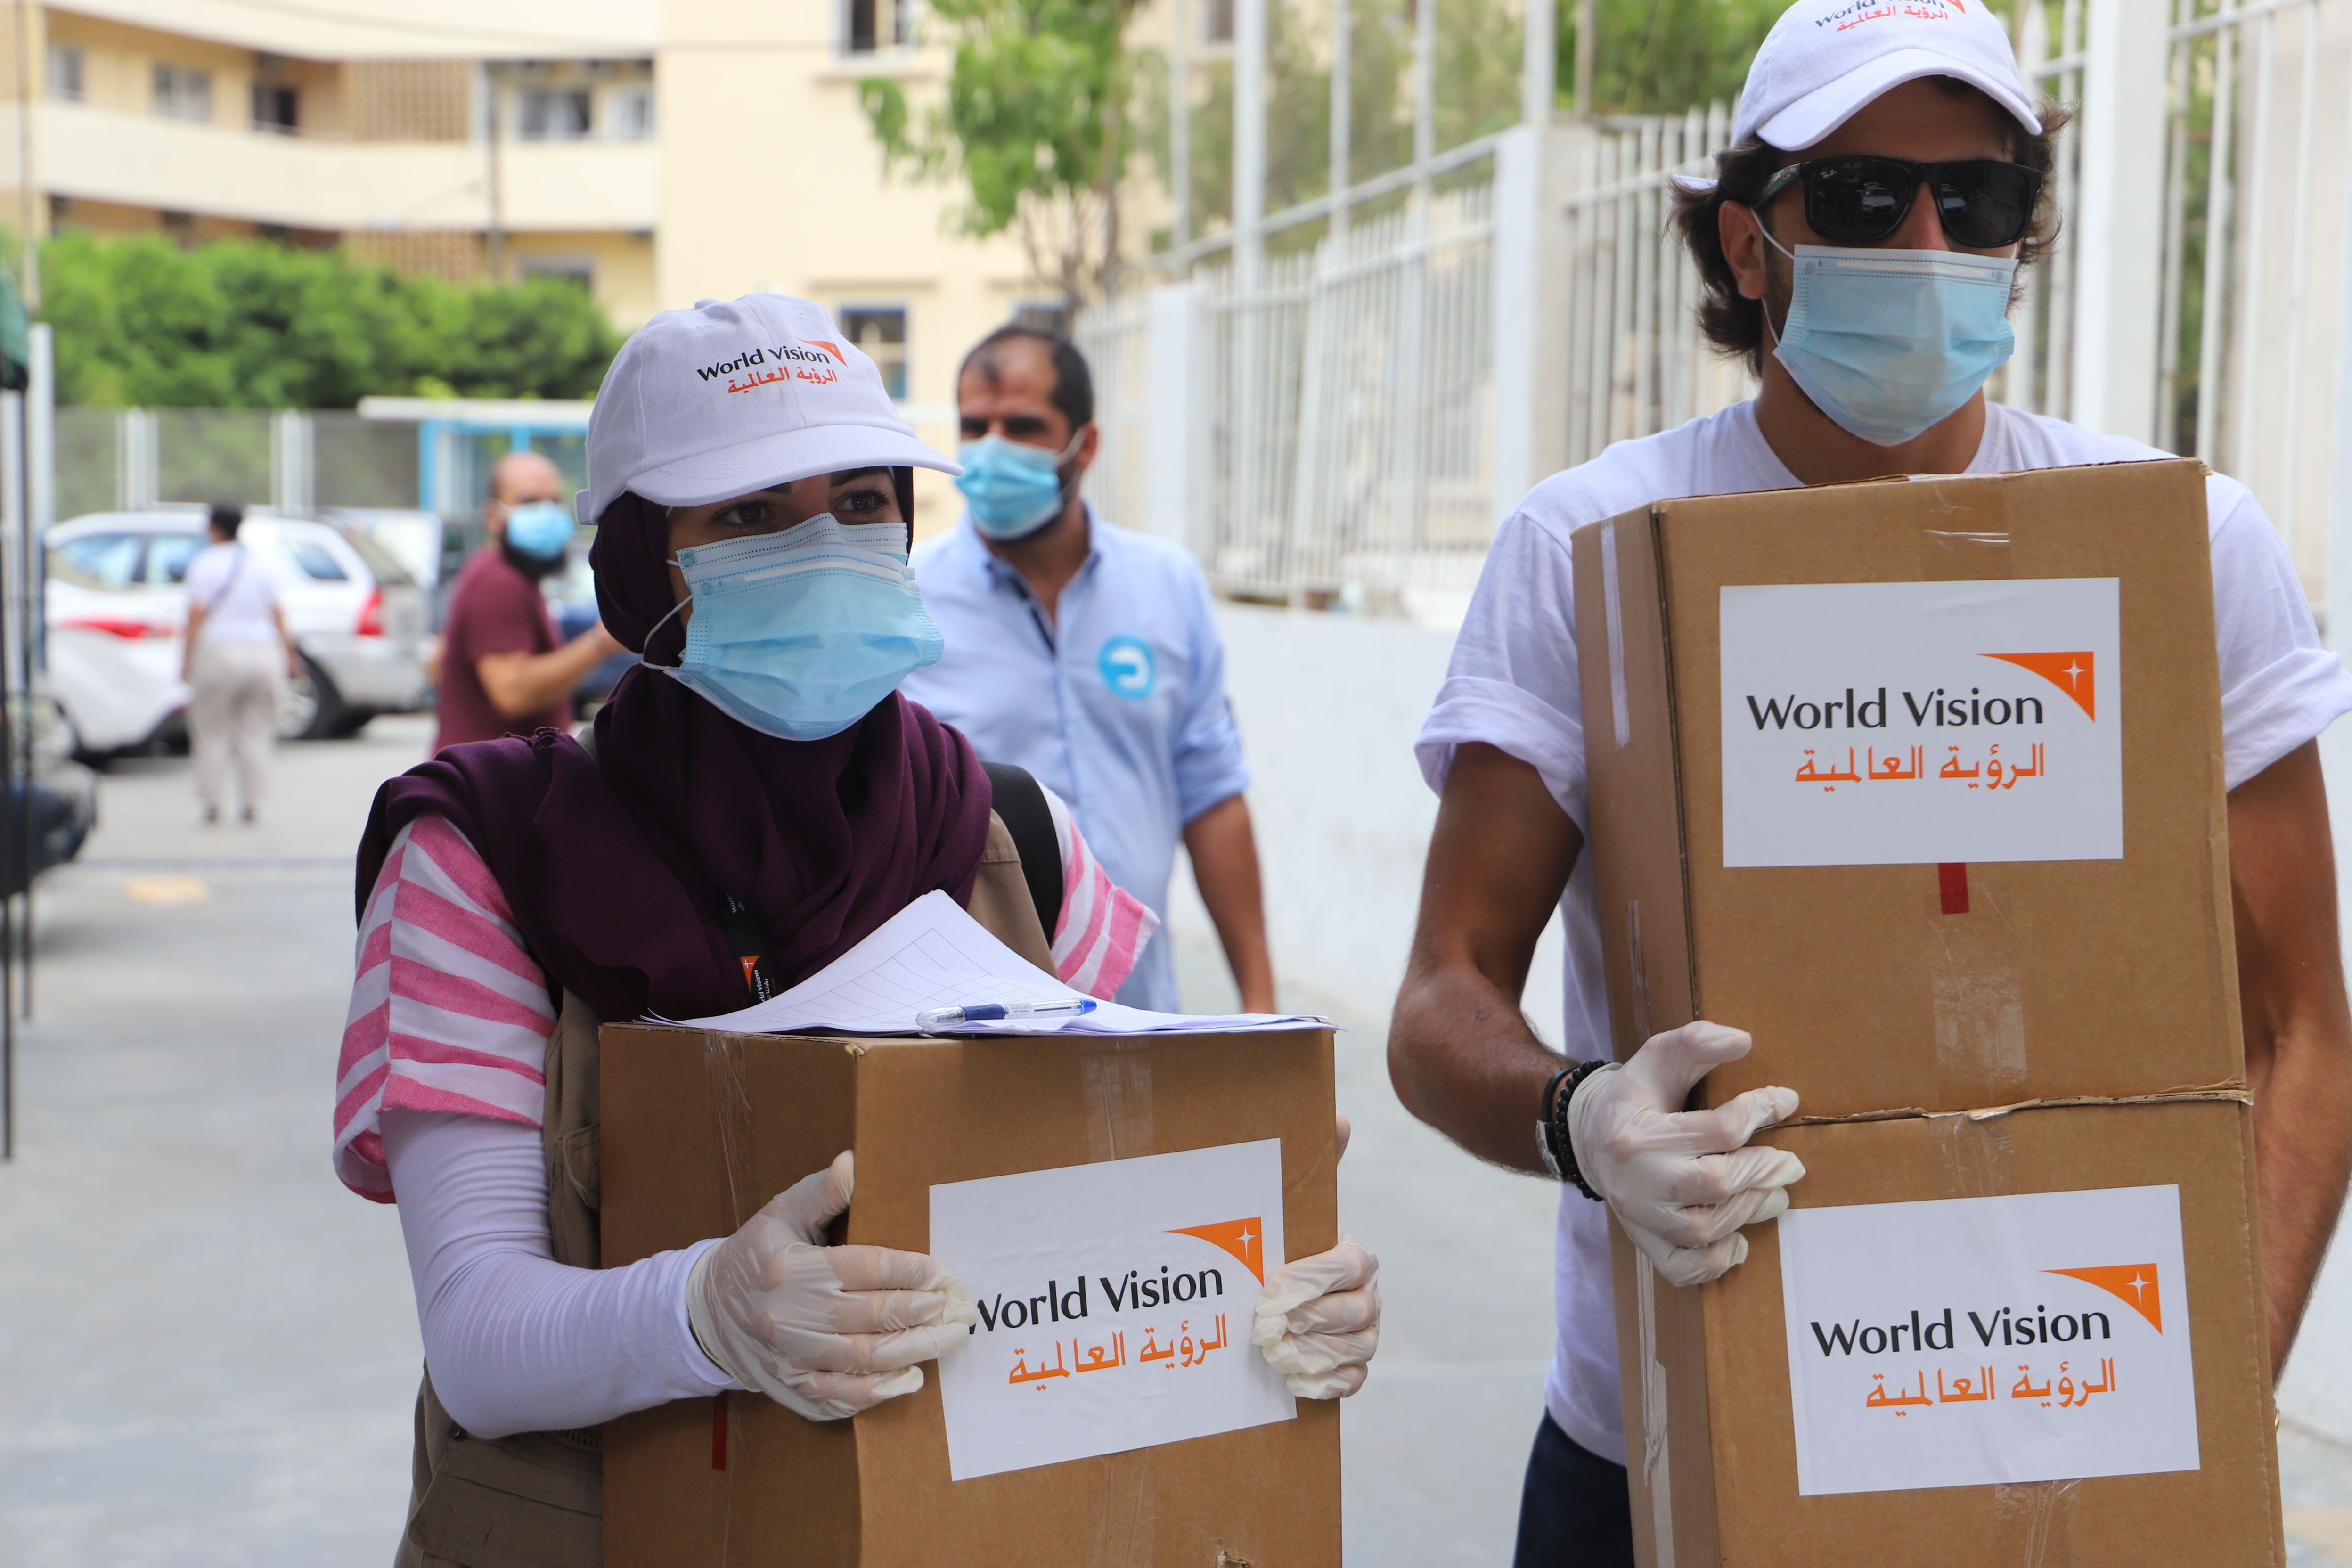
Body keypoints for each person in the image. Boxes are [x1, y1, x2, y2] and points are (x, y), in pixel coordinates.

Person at [1383, 4, 2352, 1563]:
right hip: (1657, 1462)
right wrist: (1584, 1121)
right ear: (1746, 240)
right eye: (1855, 197)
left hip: (2064, 1428)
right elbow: (1441, 999)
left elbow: (2301, 1023)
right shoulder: (1596, 550)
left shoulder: (2183, 552)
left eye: (1976, 201)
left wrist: (2202, 1400)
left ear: (2025, 236)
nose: (1922, 237)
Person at [333, 294, 1381, 1566]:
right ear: (634, 564)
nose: (822, 545)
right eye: (749, 516)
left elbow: (1110, 1246)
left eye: (863, 502)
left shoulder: (1015, 841)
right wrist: (704, 1315)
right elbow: (481, 1339)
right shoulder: (487, 857)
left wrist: (1266, 1289)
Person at [902, 325, 1275, 1014]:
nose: (991, 450)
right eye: (974, 427)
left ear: (1087, 444)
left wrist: (1261, 1004)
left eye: (1022, 427)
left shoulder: (1167, 585)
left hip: (1144, 1014)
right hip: (975, 1023)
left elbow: (1213, 797)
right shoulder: (904, 599)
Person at [431, 449, 619, 752]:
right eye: (530, 502)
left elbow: (436, 664)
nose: (546, 513)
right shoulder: (499, 582)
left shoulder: (502, 574)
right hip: (489, 786)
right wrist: (602, 641)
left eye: (554, 502)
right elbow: (512, 692)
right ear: (494, 516)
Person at [180, 502, 298, 825]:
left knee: (211, 730)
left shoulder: (204, 563)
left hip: (219, 650)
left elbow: (196, 615)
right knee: (256, 732)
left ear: (214, 528)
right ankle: (252, 804)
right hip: (263, 651)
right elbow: (278, 614)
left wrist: (186, 658)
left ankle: (213, 804)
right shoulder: (262, 562)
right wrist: (290, 655)